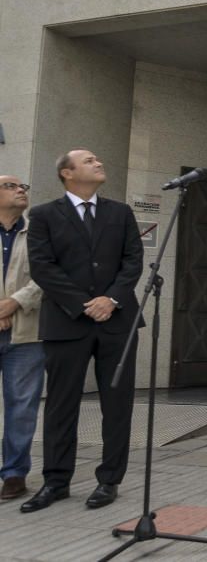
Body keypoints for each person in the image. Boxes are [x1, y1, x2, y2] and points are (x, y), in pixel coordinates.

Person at [22, 150, 144, 513]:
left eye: (97, 159)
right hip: (66, 321)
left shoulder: (120, 212)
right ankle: (56, 481)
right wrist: (83, 304)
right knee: (61, 405)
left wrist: (111, 299)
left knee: (117, 404)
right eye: (88, 160)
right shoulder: (43, 215)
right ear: (66, 173)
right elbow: (42, 267)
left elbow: (133, 260)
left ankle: (109, 480)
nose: (98, 162)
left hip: (117, 322)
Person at [0, 176, 44, 501]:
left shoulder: (39, 233)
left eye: (23, 187)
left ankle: (14, 475)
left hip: (26, 335)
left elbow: (48, 274)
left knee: (22, 406)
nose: (21, 190)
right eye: (11, 186)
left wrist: (14, 303)